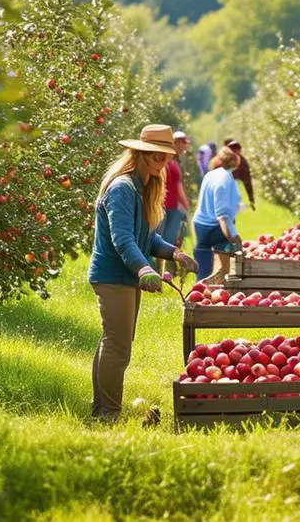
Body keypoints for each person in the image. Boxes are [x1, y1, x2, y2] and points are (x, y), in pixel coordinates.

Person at [88, 124, 197, 423]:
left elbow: (146, 239)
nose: (161, 160)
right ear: (139, 152)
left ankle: (101, 408)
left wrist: (174, 253)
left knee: (113, 341)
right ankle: (109, 413)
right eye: (154, 154)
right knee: (118, 347)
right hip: (113, 274)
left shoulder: (144, 186)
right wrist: (145, 268)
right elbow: (123, 239)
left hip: (126, 275)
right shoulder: (123, 188)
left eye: (165, 155)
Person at [191, 146, 243, 281]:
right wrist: (234, 237)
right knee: (224, 270)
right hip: (216, 228)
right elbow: (223, 216)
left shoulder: (211, 174)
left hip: (200, 225)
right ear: (234, 165)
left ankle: (199, 291)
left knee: (203, 268)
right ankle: (219, 288)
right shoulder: (224, 180)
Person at [155, 131, 192, 273]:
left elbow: (178, 185)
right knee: (159, 239)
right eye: (181, 143)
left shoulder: (174, 163)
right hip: (161, 206)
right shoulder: (162, 163)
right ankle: (157, 271)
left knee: (170, 240)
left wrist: (184, 202)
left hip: (173, 207)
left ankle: (170, 271)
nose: (184, 147)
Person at [224, 138, 256, 211]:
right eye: (232, 150)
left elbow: (247, 181)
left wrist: (251, 199)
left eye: (237, 150)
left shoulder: (243, 163)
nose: (235, 152)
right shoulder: (222, 160)